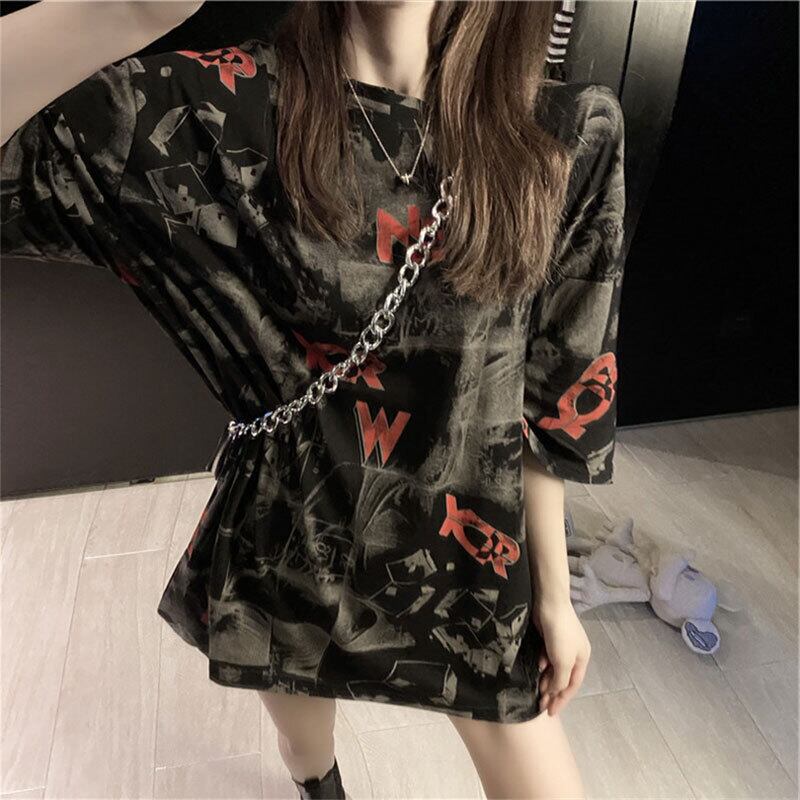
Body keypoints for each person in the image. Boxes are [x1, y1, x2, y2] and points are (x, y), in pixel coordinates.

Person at [0, 1, 626, 797]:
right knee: (306, 750)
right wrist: (126, 8)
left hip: (471, 568)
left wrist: (554, 595)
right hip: (293, 546)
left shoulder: (563, 135)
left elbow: (558, 391)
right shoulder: (218, 115)